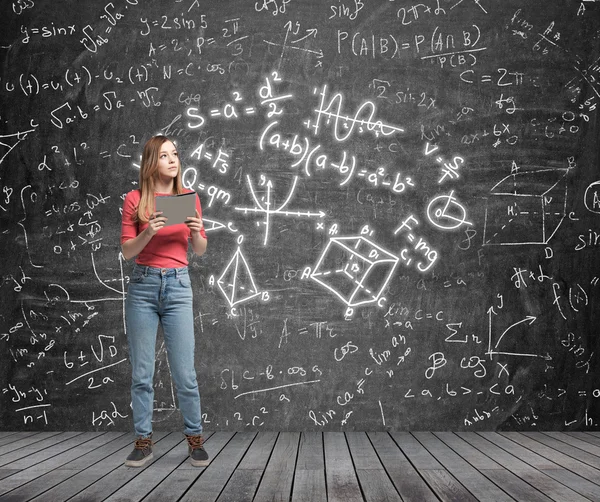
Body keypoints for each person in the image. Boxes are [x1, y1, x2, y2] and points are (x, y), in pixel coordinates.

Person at [120, 135, 209, 468]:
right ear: (151, 163)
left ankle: (195, 440)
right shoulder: (135, 200)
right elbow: (128, 251)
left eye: (175, 154)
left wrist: (198, 231)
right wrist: (149, 232)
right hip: (143, 286)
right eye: (164, 156)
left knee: (185, 373)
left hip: (178, 286)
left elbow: (198, 249)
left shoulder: (189, 197)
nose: (173, 160)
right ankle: (143, 443)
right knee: (142, 373)